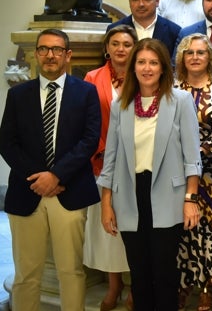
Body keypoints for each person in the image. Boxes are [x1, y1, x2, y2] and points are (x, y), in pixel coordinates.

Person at [0, 28, 101, 311]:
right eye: (43, 49)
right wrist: (38, 178)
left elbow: (89, 140)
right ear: (37, 54)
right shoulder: (18, 95)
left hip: (69, 192)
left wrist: (56, 175)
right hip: (26, 191)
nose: (50, 55)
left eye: (57, 49)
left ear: (68, 55)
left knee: (71, 271)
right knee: (26, 275)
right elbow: (7, 144)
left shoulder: (86, 92)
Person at [98, 38, 202, 311]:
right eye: (141, 62)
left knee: (164, 272)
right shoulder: (121, 105)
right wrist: (106, 204)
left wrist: (191, 199)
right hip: (129, 196)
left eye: (153, 62)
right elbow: (110, 159)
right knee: (139, 273)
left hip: (169, 195)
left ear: (163, 68)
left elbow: (193, 158)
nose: (147, 68)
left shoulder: (180, 101)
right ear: (133, 67)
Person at [83, 25, 137, 311]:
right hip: (102, 162)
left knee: (135, 227)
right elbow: (88, 121)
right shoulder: (93, 78)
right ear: (107, 47)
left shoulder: (144, 75)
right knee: (109, 230)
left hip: (138, 163)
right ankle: (114, 285)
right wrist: (103, 149)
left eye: (127, 44)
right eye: (115, 43)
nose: (120, 49)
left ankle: (135, 287)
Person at [174, 33, 212, 311]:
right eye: (189, 52)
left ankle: (206, 286)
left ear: (210, 57)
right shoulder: (170, 87)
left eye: (201, 52)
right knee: (179, 229)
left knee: (206, 228)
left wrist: (203, 151)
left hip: (209, 170)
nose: (195, 57)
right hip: (173, 170)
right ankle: (182, 283)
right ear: (182, 57)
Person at [107, 0, 182, 57]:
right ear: (129, 1)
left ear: (157, 1)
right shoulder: (114, 29)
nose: (141, 4)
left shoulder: (174, 31)